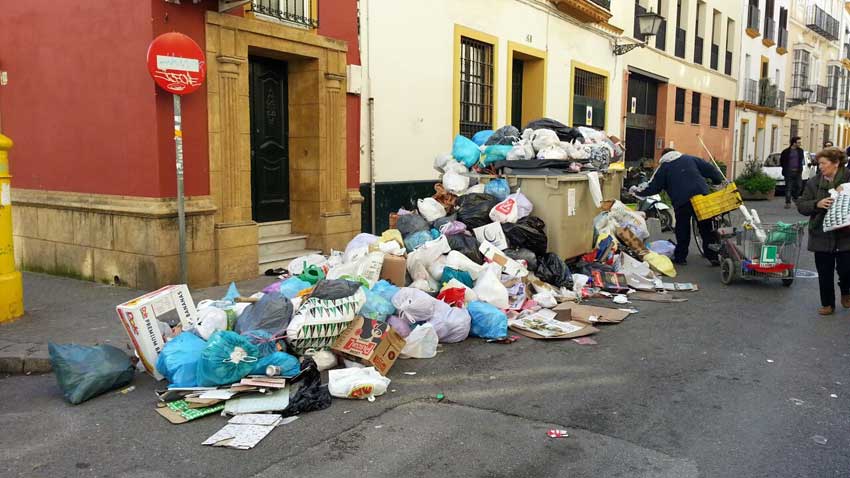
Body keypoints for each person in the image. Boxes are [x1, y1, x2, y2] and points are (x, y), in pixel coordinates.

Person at [630, 148, 724, 266]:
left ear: (663, 157)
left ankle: (681, 257)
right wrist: (717, 180)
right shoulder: (690, 158)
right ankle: (713, 256)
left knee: (682, 228)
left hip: (682, 201)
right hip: (701, 196)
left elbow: (653, 187)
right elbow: (710, 169)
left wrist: (636, 191)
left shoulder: (664, 167)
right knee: (706, 227)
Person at [797, 147, 850, 316]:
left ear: (836, 163)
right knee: (824, 272)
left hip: (846, 234)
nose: (820, 167)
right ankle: (827, 304)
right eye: (819, 163)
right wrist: (817, 204)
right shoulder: (813, 182)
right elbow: (801, 205)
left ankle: (846, 290)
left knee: (847, 269)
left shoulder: (848, 178)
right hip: (821, 233)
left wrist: (845, 191)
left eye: (823, 163)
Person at [780, 136, 806, 209]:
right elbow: (782, 161)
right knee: (788, 187)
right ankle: (788, 202)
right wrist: (785, 168)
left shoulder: (800, 151)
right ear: (794, 143)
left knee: (799, 186)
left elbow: (801, 160)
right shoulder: (786, 151)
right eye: (798, 142)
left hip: (798, 172)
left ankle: (795, 197)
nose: (800, 144)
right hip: (788, 172)